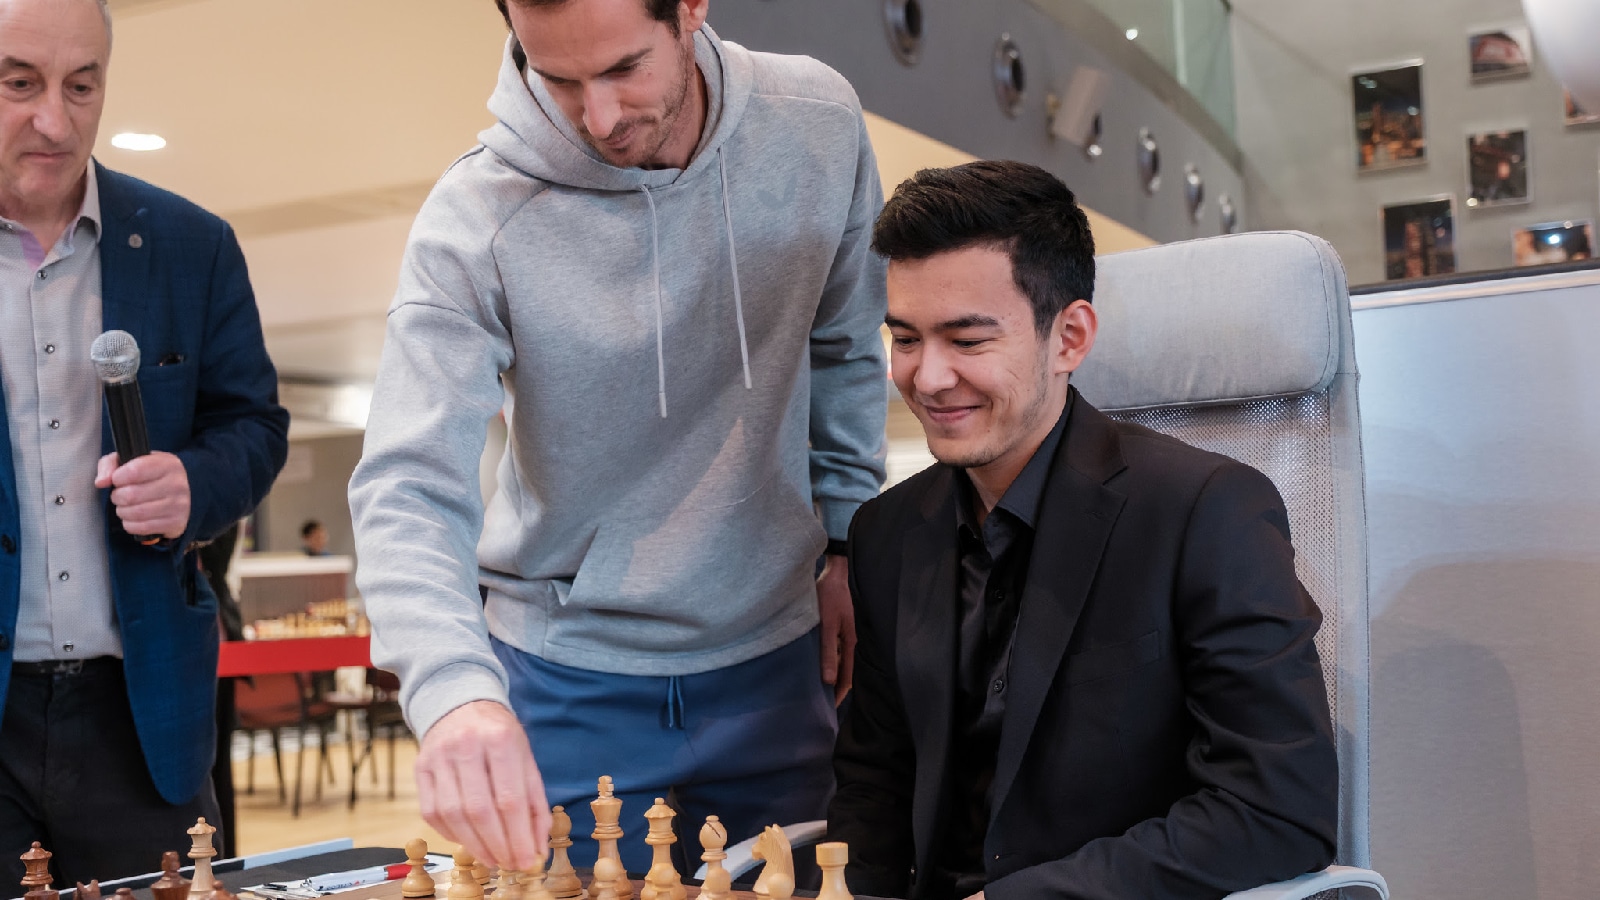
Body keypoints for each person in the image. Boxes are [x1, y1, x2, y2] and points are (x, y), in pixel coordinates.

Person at [348, 0, 886, 875]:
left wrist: (843, 541)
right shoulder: (475, 216)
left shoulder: (817, 124)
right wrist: (452, 694)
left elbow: (847, 343)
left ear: (691, 10)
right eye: (558, 79)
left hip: (776, 658)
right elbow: (408, 482)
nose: (598, 117)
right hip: (564, 670)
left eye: (625, 69)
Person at [828, 161, 1338, 900]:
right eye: (905, 339)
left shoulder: (1205, 511)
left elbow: (1275, 810)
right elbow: (873, 791)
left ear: (1068, 337)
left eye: (967, 341)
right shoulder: (886, 532)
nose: (927, 378)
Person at [0, 0, 290, 884]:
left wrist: (195, 487)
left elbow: (254, 426)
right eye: (19, 84)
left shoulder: (191, 246)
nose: (56, 118)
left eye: (81, 86)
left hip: (142, 714)